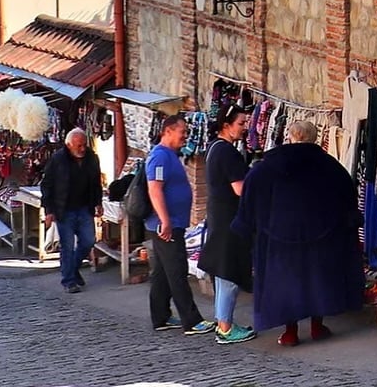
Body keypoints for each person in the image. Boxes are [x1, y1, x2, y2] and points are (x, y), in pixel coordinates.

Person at [232, 120, 364, 346]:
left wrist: (248, 226)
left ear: (290, 137)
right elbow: (347, 199)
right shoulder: (330, 166)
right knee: (317, 280)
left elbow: (250, 197)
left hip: (280, 237)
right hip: (322, 235)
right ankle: (317, 327)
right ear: (314, 138)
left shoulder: (266, 168)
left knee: (287, 284)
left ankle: (290, 333)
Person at [145, 114, 212, 336]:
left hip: (172, 223)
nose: (186, 136)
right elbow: (155, 189)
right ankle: (191, 321)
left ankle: (160, 316)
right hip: (167, 225)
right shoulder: (160, 156)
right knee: (177, 270)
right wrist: (165, 220)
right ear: (168, 131)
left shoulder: (170, 155)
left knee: (163, 273)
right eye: (182, 131)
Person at [197, 105, 256, 345]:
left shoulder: (214, 148)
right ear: (226, 125)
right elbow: (240, 189)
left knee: (224, 274)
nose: (245, 128)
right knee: (229, 273)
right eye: (241, 123)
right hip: (229, 220)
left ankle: (223, 323)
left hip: (219, 217)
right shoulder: (227, 152)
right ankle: (225, 328)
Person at [40, 126, 103, 294]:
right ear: (69, 145)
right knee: (67, 246)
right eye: (78, 146)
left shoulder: (91, 158)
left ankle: (73, 269)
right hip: (64, 209)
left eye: (84, 145)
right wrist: (49, 210)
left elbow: (96, 183)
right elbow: (47, 185)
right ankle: (68, 280)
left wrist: (98, 203)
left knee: (89, 241)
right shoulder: (58, 159)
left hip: (84, 207)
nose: (82, 149)